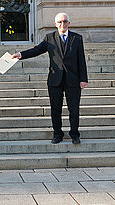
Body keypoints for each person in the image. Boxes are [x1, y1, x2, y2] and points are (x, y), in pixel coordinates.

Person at [12, 13, 88, 144]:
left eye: (64, 22)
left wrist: (83, 79)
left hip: (73, 79)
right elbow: (36, 50)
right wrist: (21, 54)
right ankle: (57, 134)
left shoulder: (77, 38)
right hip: (55, 79)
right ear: (55, 24)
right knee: (55, 108)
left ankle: (75, 134)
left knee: (74, 108)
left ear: (69, 23)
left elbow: (81, 59)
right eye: (59, 22)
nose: (62, 24)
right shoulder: (49, 38)